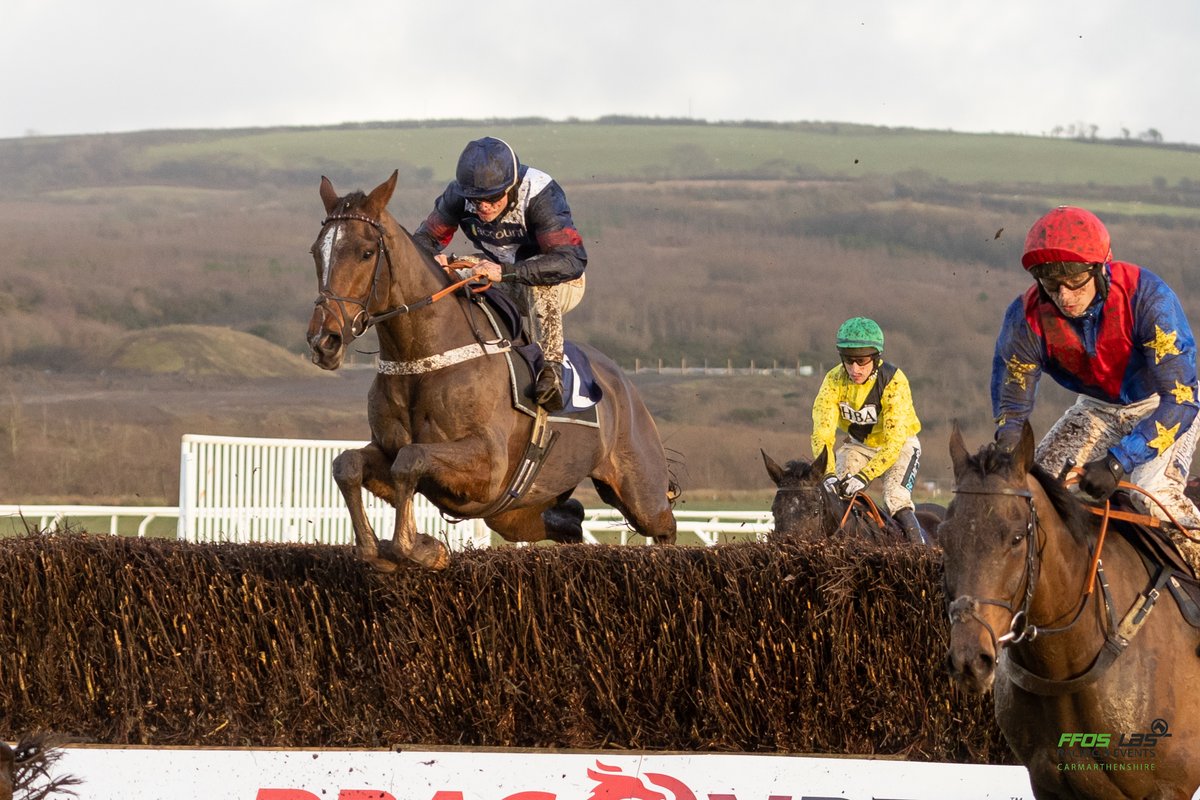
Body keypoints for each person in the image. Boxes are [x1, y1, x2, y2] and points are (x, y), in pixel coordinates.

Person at [992, 205, 1200, 533]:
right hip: (1097, 410)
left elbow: (1181, 400)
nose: (1064, 296)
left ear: (1101, 268)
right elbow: (1013, 411)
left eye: (1075, 281)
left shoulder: (1148, 299)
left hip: (1162, 406)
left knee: (1153, 496)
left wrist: (1118, 461)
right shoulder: (1026, 318)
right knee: (1035, 496)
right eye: (1051, 284)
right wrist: (1006, 454)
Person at [412, 136, 587, 412]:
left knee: (537, 284)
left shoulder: (541, 194)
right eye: (476, 200)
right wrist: (434, 259)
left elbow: (571, 261)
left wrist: (505, 272)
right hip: (499, 274)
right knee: (449, 271)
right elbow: (423, 240)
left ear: (512, 185)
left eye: (493, 198)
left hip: (561, 282)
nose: (483, 207)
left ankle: (552, 373)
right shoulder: (458, 195)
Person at [812, 317, 927, 544]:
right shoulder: (833, 380)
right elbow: (822, 433)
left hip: (899, 446)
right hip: (859, 445)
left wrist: (865, 476)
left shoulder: (894, 381)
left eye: (862, 361)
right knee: (837, 496)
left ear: (875, 358)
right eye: (848, 360)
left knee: (895, 498)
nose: (855, 369)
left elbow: (893, 443)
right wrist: (827, 473)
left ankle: (922, 555)